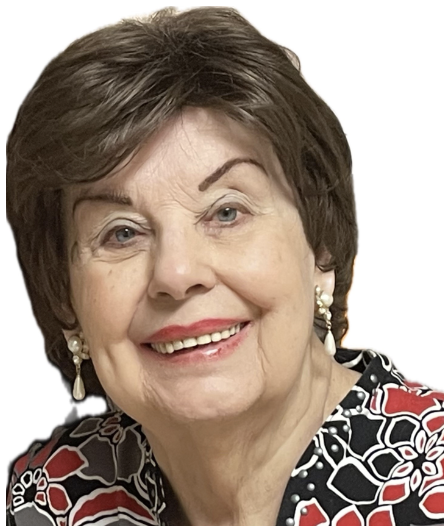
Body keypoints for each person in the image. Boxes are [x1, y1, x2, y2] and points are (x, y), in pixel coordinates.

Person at [5, 6, 444, 526]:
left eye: (227, 213)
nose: (176, 274)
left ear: (321, 246)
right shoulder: (52, 494)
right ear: (65, 297)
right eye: (122, 233)